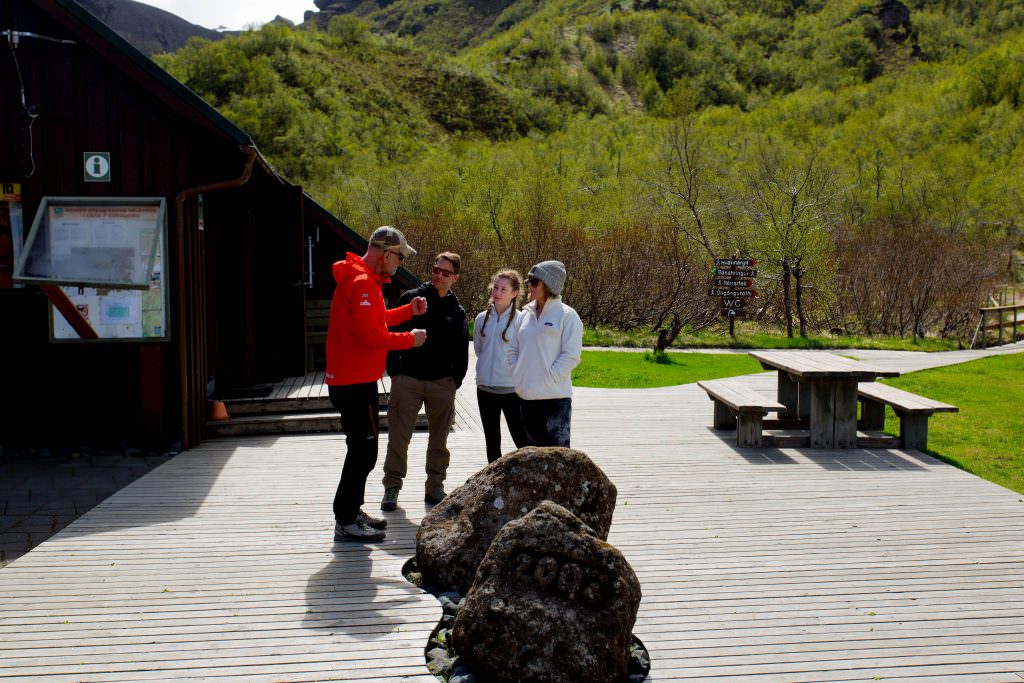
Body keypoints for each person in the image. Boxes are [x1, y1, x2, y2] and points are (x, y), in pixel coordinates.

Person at [325, 226, 427, 543]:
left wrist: (407, 312)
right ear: (385, 254)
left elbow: (377, 320)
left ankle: (351, 512)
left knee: (363, 449)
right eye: (398, 257)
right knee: (363, 451)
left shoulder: (364, 279)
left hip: (355, 380)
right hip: (353, 383)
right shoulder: (362, 284)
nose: (399, 264)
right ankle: (346, 518)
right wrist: (411, 340)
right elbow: (372, 337)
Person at [380, 251, 469, 511]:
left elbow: (461, 349)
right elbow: (390, 336)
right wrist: (395, 373)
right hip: (407, 380)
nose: (438, 275)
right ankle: (392, 487)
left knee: (439, 440)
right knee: (398, 437)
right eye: (435, 270)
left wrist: (454, 381)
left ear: (456, 278)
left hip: (442, 384)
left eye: (445, 273)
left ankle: (435, 487)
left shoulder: (457, 310)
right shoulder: (412, 299)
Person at [507, 260, 583, 447]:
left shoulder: (567, 316)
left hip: (555, 401)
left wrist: (549, 377)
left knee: (559, 464)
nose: (528, 286)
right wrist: (517, 375)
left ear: (548, 285)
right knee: (529, 465)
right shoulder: (524, 315)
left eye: (534, 282)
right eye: (529, 281)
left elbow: (571, 355)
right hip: (525, 400)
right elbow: (512, 349)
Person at [474, 269, 528, 463]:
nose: (497, 292)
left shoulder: (522, 320)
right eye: (495, 287)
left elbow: (524, 354)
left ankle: (531, 481)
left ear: (515, 293)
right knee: (492, 441)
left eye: (503, 289)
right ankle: (495, 486)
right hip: (485, 389)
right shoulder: (481, 319)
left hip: (512, 390)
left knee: (521, 439)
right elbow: (480, 350)